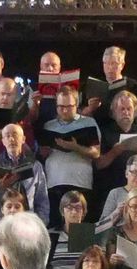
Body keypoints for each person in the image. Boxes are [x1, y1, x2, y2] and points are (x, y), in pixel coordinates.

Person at [42, 87, 104, 224]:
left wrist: (75, 147)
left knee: (80, 227)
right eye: (61, 107)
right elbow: (42, 152)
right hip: (55, 182)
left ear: (76, 104)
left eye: (69, 107)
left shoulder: (88, 123)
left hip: (80, 181)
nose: (64, 110)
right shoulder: (48, 125)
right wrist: (45, 150)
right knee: (57, 225)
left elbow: (96, 153)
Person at [0, 123, 51, 226]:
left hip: (28, 223)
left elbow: (42, 199)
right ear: (3, 141)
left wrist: (40, 224)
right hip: (0, 222)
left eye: (15, 135)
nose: (11, 139)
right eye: (7, 136)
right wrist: (1, 187)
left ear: (23, 139)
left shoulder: (34, 165)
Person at [94, 92, 137, 205]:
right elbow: (98, 164)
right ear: (114, 112)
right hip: (112, 190)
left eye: (129, 109)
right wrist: (114, 152)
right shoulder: (104, 133)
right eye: (122, 109)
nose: (126, 112)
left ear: (135, 111)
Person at [82, 46, 137, 127]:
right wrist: (91, 108)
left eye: (113, 63)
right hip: (100, 129)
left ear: (122, 65)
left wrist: (132, 109)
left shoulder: (133, 85)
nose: (109, 67)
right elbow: (80, 114)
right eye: (105, 63)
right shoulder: (94, 85)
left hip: (127, 129)